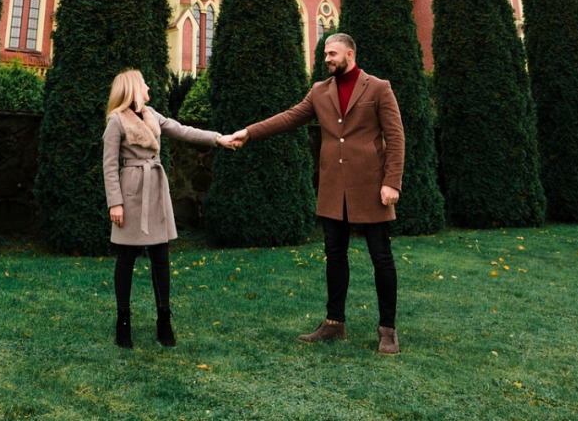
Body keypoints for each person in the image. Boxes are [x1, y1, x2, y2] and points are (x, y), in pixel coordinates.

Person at [225, 32, 405, 355]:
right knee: (334, 257)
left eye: (332, 53)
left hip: (371, 189)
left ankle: (387, 330)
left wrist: (392, 181)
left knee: (381, 258)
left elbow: (396, 136)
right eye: (325, 54)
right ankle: (335, 324)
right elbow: (289, 118)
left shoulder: (379, 88)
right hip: (334, 190)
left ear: (350, 53)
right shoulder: (320, 92)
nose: (326, 59)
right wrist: (249, 133)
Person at [102, 68, 227, 348]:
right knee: (126, 258)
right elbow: (109, 165)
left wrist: (217, 138)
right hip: (131, 190)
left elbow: (183, 131)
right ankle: (123, 322)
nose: (149, 86)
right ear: (134, 88)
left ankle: (164, 320)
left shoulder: (152, 114)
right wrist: (116, 203)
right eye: (144, 83)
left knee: (161, 256)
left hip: (157, 189)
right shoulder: (115, 121)